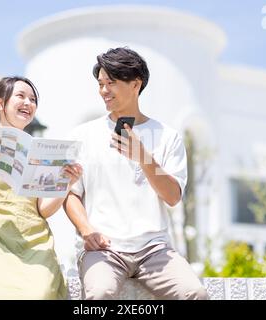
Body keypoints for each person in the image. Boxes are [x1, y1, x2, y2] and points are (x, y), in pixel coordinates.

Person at [63, 48, 208, 300]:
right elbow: (70, 194)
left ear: (135, 84)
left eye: (111, 83)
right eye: (101, 84)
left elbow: (173, 197)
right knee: (99, 295)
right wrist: (86, 230)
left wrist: (144, 157)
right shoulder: (82, 135)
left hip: (154, 249)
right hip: (104, 249)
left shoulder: (167, 136)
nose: (104, 91)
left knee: (194, 293)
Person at [0, 76, 82, 299]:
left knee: (41, 292)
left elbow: (44, 210)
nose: (28, 103)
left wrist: (65, 184)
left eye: (33, 99)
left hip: (35, 241)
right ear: (0, 103)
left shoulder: (39, 149)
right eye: (21, 96)